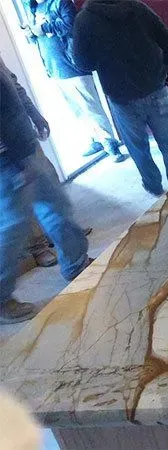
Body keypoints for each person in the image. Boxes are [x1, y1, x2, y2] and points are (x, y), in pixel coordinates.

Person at [0, 56, 91, 324]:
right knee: (13, 228)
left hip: (23, 147)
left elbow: (12, 87)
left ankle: (76, 263)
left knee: (57, 205)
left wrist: (34, 115)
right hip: (5, 159)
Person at [72, 0, 168, 196]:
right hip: (156, 87)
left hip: (121, 96)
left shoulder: (85, 19)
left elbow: (83, 63)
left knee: (138, 148)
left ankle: (153, 186)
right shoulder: (137, 7)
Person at [25, 0, 126, 163]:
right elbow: (37, 38)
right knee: (78, 110)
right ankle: (96, 140)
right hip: (54, 68)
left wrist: (43, 28)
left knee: (91, 106)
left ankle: (111, 144)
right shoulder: (33, 9)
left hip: (72, 65)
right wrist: (31, 33)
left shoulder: (60, 2)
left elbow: (71, 25)